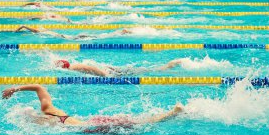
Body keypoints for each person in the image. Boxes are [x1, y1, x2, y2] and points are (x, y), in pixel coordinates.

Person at [1, 84, 184, 133]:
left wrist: (15, 88)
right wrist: (14, 89)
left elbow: (39, 87)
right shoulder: (49, 110)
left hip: (90, 127)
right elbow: (38, 87)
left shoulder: (43, 119)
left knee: (137, 123)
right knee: (135, 122)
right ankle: (170, 113)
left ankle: (171, 114)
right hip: (92, 124)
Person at [54, 58, 183, 77]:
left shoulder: (74, 68)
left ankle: (169, 66)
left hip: (110, 72)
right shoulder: (73, 66)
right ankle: (168, 66)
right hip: (110, 69)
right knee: (139, 71)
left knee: (148, 72)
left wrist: (106, 76)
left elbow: (90, 68)